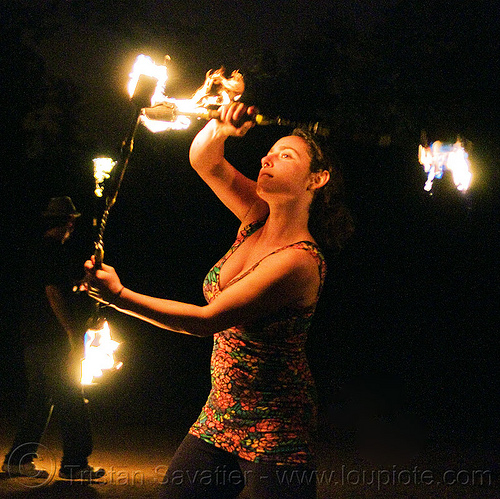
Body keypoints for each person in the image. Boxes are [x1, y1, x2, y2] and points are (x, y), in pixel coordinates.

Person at [84, 103, 353, 498]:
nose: (268, 157)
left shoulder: (299, 262)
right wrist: (222, 125)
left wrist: (120, 297)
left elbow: (207, 319)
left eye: (286, 155)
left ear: (317, 179)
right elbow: (204, 160)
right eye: (270, 151)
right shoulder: (255, 216)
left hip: (276, 422)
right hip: (221, 408)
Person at [2, 196, 105, 481]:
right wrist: (71, 332)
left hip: (33, 337)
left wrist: (83, 281)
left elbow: (55, 287)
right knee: (71, 396)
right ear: (69, 222)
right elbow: (52, 292)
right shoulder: (53, 250)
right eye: (73, 221)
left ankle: (17, 460)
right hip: (51, 338)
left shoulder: (37, 250)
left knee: (41, 398)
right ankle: (74, 464)